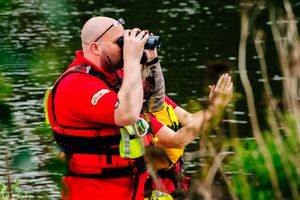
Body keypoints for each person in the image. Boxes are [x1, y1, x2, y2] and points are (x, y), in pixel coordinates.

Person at [45, 16, 233, 200]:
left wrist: (214, 107)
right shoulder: (77, 86)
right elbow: (127, 114)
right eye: (121, 42)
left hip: (131, 190)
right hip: (94, 192)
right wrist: (132, 60)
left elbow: (166, 112)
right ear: (95, 47)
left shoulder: (117, 83)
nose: (127, 47)